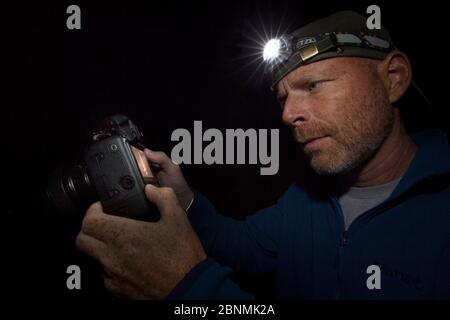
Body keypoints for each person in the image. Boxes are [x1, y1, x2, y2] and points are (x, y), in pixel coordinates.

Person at [75, 11, 450, 299]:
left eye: (313, 85)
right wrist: (185, 198)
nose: (287, 115)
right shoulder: (306, 200)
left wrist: (188, 289)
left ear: (394, 78)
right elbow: (238, 246)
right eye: (283, 98)